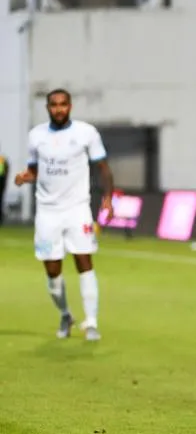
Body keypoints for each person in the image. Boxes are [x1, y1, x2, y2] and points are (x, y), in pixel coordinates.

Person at [14, 88, 115, 340]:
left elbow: (103, 168)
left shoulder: (86, 133)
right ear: (47, 107)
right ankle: (65, 314)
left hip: (77, 209)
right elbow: (35, 170)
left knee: (84, 261)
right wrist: (25, 177)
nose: (58, 109)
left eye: (63, 104)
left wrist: (108, 199)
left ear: (70, 106)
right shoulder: (36, 136)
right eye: (54, 105)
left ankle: (91, 322)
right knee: (52, 271)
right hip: (47, 212)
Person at [0, 146, 8, 226]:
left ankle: (0, 219)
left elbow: (6, 171)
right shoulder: (2, 159)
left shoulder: (2, 159)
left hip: (1, 184)